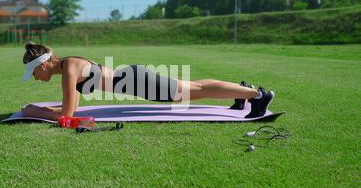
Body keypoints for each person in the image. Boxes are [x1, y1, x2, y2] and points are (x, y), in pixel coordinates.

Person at [21, 42, 274, 121]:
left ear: (42, 65)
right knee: (196, 87)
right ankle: (243, 92)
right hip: (137, 80)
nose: (36, 78)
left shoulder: (69, 69)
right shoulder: (70, 66)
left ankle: (256, 96)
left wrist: (36, 111)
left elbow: (67, 117)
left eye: (34, 73)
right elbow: (71, 111)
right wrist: (44, 111)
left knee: (196, 89)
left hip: (139, 82)